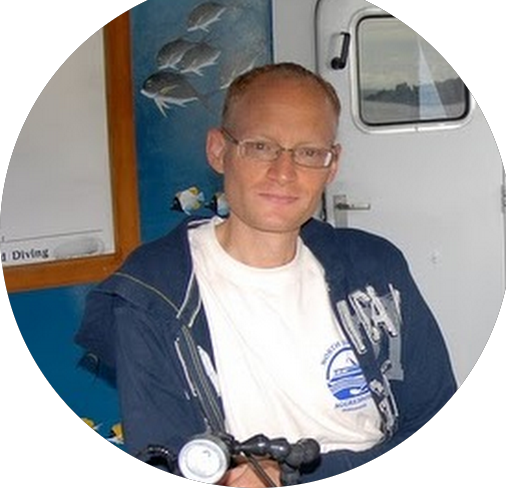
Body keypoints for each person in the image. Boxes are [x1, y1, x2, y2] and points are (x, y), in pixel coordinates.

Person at [76, 62, 456, 485]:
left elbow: (429, 412)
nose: (284, 173)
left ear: (332, 165)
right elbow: (164, 454)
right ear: (218, 151)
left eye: (309, 153)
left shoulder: (376, 268)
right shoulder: (152, 294)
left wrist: (292, 477)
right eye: (261, 147)